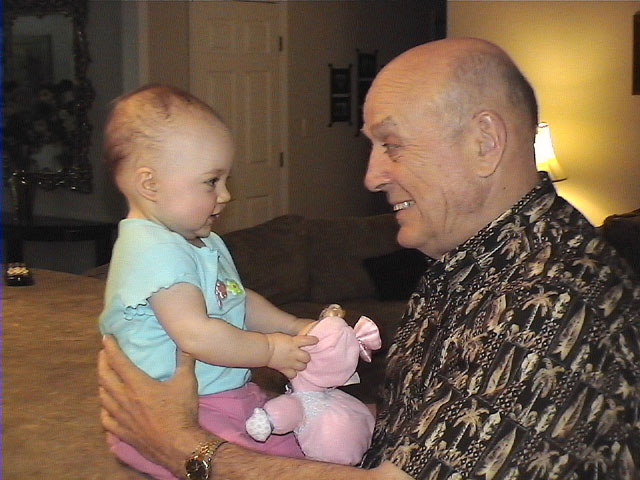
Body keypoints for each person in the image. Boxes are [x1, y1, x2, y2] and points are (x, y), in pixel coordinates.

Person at [99, 38, 640, 479]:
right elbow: (440, 434)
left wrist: (182, 445)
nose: (372, 176)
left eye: (392, 144)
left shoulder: (549, 299)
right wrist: (325, 413)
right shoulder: (475, 261)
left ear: (484, 141)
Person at [99, 85, 319, 479]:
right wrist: (270, 349)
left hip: (223, 395)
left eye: (226, 179)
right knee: (291, 463)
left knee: (305, 444)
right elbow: (196, 335)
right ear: (150, 184)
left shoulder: (201, 240)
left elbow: (236, 300)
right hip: (183, 409)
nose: (226, 194)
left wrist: (290, 325)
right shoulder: (151, 249)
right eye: (211, 182)